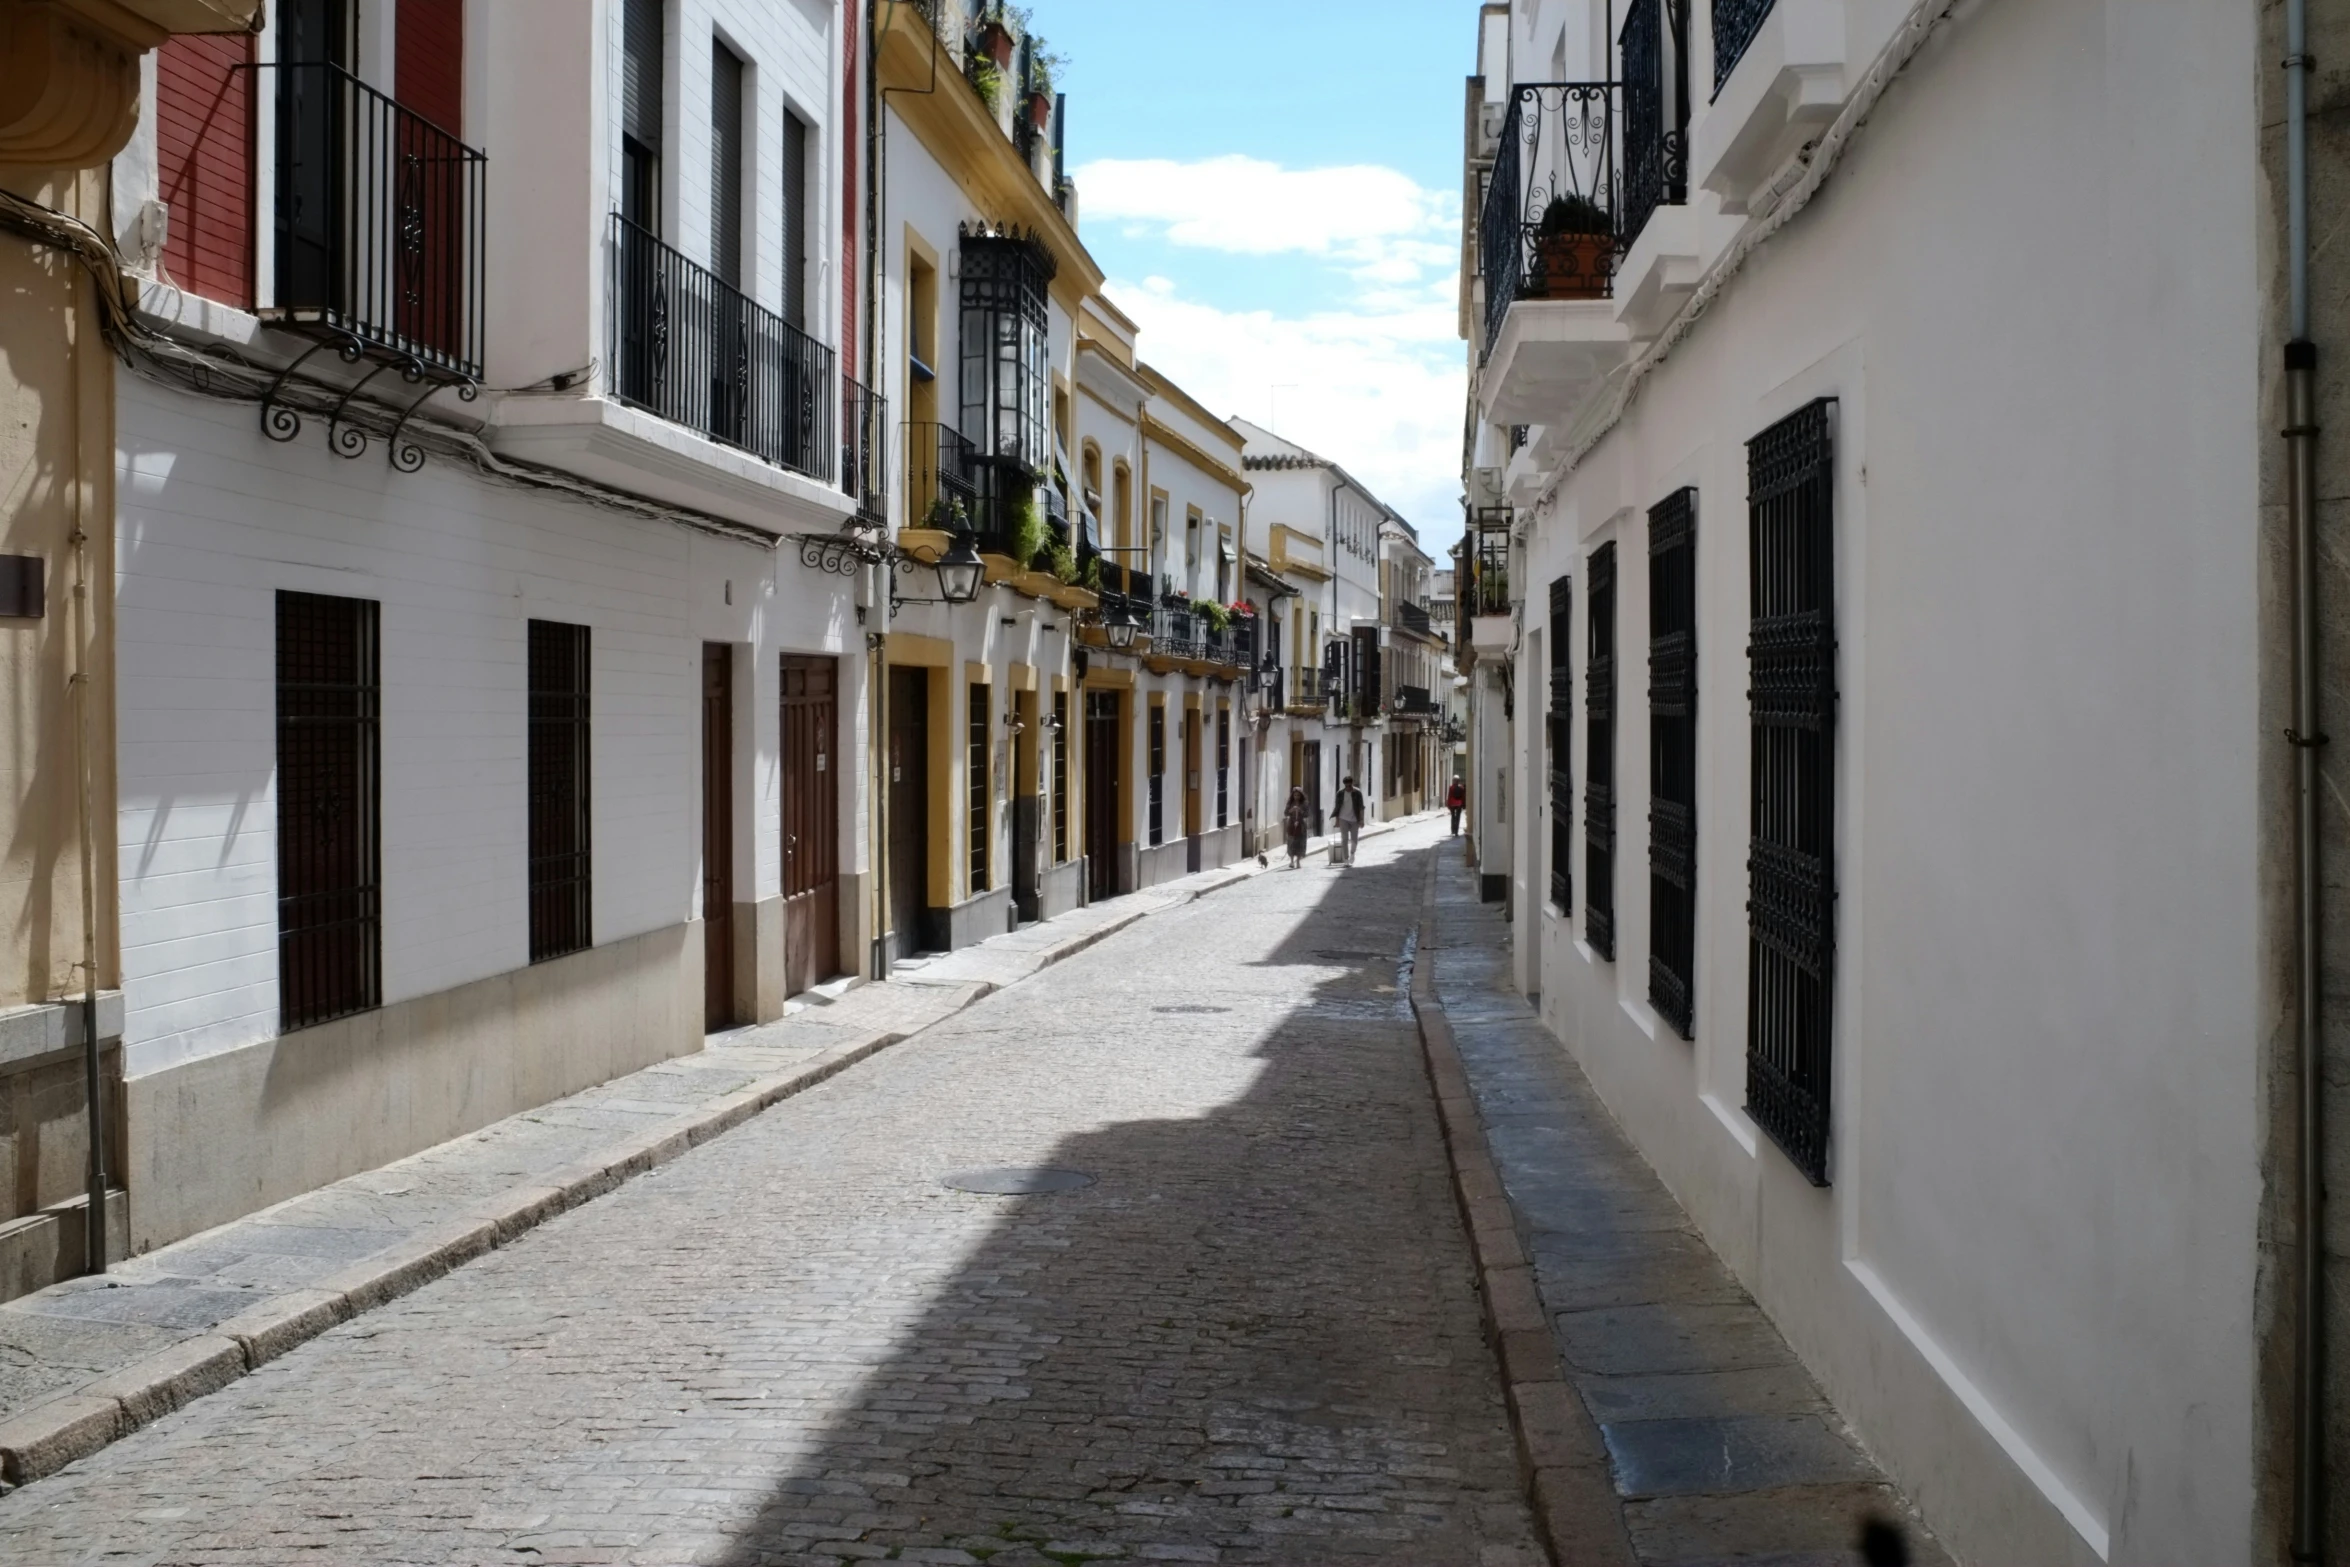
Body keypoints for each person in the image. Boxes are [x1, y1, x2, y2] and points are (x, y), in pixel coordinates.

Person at [1333, 775, 1365, 867]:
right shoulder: (1340, 793)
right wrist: (1337, 821)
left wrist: (1361, 820)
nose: (1348, 788)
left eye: (1349, 786)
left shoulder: (1357, 793)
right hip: (1343, 818)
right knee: (1344, 839)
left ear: (1352, 784)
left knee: (1354, 839)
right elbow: (1337, 808)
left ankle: (1352, 853)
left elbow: (1361, 807)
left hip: (1355, 819)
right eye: (1346, 786)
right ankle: (1346, 859)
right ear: (1344, 785)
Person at [1282, 786, 1310, 869]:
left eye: (1298, 795)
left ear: (1301, 795)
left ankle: (1298, 861)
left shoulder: (1305, 803)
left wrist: (1300, 810)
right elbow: (1286, 813)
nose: (1296, 797)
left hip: (1301, 825)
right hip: (1291, 824)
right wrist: (1291, 810)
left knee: (1300, 843)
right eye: (1295, 795)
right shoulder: (1290, 803)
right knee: (1291, 842)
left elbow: (1307, 814)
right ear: (1292, 795)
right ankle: (1291, 861)